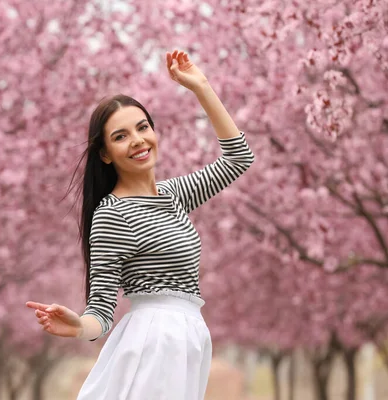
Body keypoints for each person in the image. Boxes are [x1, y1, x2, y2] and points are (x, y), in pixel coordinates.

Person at [26, 49, 254, 400]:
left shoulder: (173, 194)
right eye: (120, 136)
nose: (137, 141)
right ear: (105, 154)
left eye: (143, 127)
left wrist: (200, 86)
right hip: (155, 340)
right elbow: (101, 313)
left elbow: (239, 158)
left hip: (188, 335)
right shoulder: (112, 215)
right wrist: (76, 327)